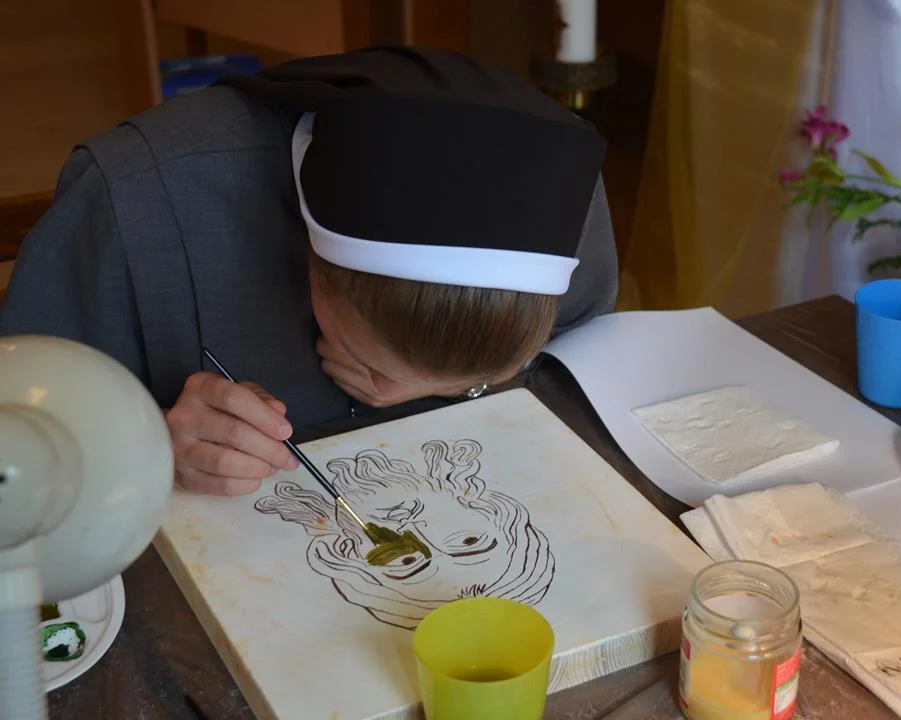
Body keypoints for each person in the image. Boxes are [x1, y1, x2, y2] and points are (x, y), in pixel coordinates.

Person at [0, 47, 618, 498]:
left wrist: (471, 385)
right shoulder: (136, 199)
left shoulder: (563, 198)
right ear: (315, 263)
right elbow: (18, 439)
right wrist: (148, 447)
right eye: (374, 365)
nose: (385, 392)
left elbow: (579, 365)